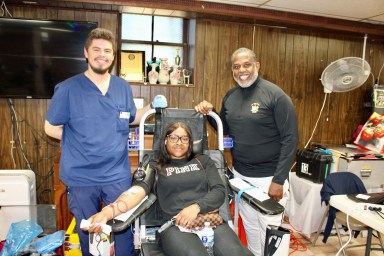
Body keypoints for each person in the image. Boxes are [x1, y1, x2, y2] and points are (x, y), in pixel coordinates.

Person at [44, 28, 167, 256]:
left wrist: (152, 107)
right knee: (90, 232)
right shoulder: (68, 89)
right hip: (81, 177)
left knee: (122, 229)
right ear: (86, 53)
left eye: (107, 51)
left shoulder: (121, 87)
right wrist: (76, 138)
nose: (102, 55)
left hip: (115, 174)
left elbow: (132, 118)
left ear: (113, 55)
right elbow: (49, 127)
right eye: (96, 49)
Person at [83, 121, 253, 256]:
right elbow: (137, 192)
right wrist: (106, 213)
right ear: (165, 140)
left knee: (236, 252)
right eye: (173, 137)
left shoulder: (203, 161)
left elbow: (219, 192)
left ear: (190, 142)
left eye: (184, 138)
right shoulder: (155, 165)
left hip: (209, 220)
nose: (179, 143)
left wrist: (196, 207)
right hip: (174, 226)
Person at [195, 47, 299, 255]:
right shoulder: (231, 96)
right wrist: (210, 113)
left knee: (271, 234)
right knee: (250, 227)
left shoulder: (276, 96)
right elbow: (225, 129)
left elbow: (291, 139)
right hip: (242, 176)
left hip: (269, 178)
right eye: (236, 66)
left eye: (247, 64)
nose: (242, 70)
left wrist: (278, 180)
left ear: (257, 66)